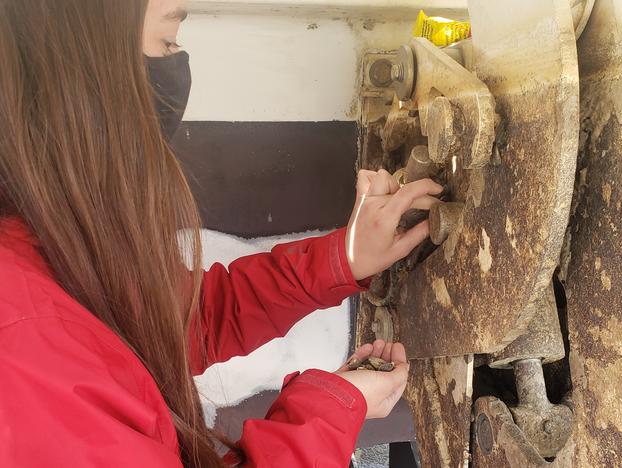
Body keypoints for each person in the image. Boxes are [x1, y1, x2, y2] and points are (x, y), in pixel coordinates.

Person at [0, 0, 441, 466]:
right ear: (80, 72)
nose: (176, 63)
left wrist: (343, 261)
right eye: (167, 42)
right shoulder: (27, 362)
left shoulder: (43, 244)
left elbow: (188, 321)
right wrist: (329, 410)